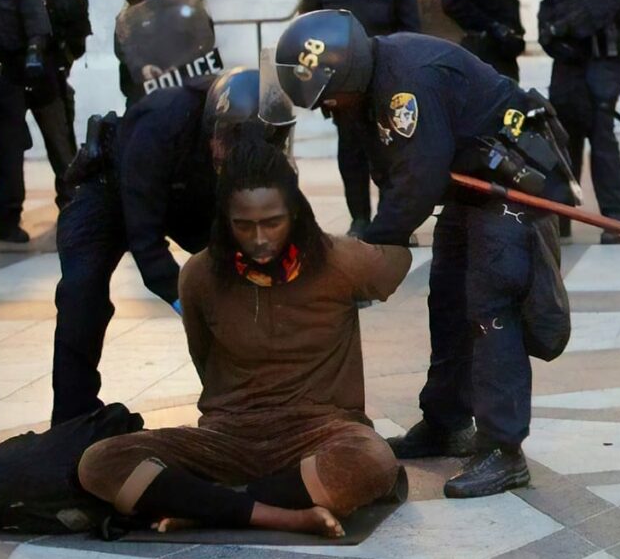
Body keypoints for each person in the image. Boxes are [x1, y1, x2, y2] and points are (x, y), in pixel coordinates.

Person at [275, 10, 574, 498]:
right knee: (448, 299)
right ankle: (447, 423)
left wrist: (372, 248)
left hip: (511, 180)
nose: (327, 107)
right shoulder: (368, 88)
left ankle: (504, 449)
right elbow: (391, 167)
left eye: (329, 96)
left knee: (490, 304)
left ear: (344, 73)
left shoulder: (405, 85)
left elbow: (416, 179)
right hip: (467, 181)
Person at [78, 138, 410, 538]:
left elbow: (396, 259)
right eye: (244, 225)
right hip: (226, 438)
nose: (259, 239)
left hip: (321, 430)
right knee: (100, 462)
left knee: (372, 460)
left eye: (273, 222)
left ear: (296, 213)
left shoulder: (340, 260)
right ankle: (279, 513)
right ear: (225, 220)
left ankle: (208, 506)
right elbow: (204, 359)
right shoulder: (199, 275)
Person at [51, 68, 280, 426]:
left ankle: (239, 402)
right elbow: (146, 242)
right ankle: (72, 413)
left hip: (183, 194)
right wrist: (187, 304)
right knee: (83, 291)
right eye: (224, 138)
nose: (226, 150)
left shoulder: (258, 142)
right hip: (108, 190)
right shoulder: (164, 122)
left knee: (235, 282)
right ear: (212, 123)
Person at [299, 0, 419, 238]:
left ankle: (393, 221)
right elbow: (307, 27)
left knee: (392, 153)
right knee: (351, 154)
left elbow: (410, 27)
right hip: (343, 83)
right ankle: (360, 219)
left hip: (384, 78)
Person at [538, 0, 620, 244]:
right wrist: (549, 35)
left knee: (602, 137)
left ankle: (615, 218)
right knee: (563, 139)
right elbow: (549, 2)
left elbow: (598, 9)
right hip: (567, 64)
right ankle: (563, 214)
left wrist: (561, 29)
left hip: (599, 64)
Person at [12, 0, 90, 210]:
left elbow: (78, 13)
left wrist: (43, 6)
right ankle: (7, 211)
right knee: (9, 154)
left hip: (46, 76)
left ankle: (74, 206)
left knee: (62, 150)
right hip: (6, 79)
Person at [0, 0, 51, 243]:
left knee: (11, 154)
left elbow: (37, 25)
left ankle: (9, 217)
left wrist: (34, 53)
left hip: (7, 81)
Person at [115, 0, 212, 107]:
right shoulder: (136, 0)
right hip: (145, 90)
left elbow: (205, 41)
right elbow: (123, 42)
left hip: (186, 87)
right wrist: (142, 68)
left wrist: (180, 66)